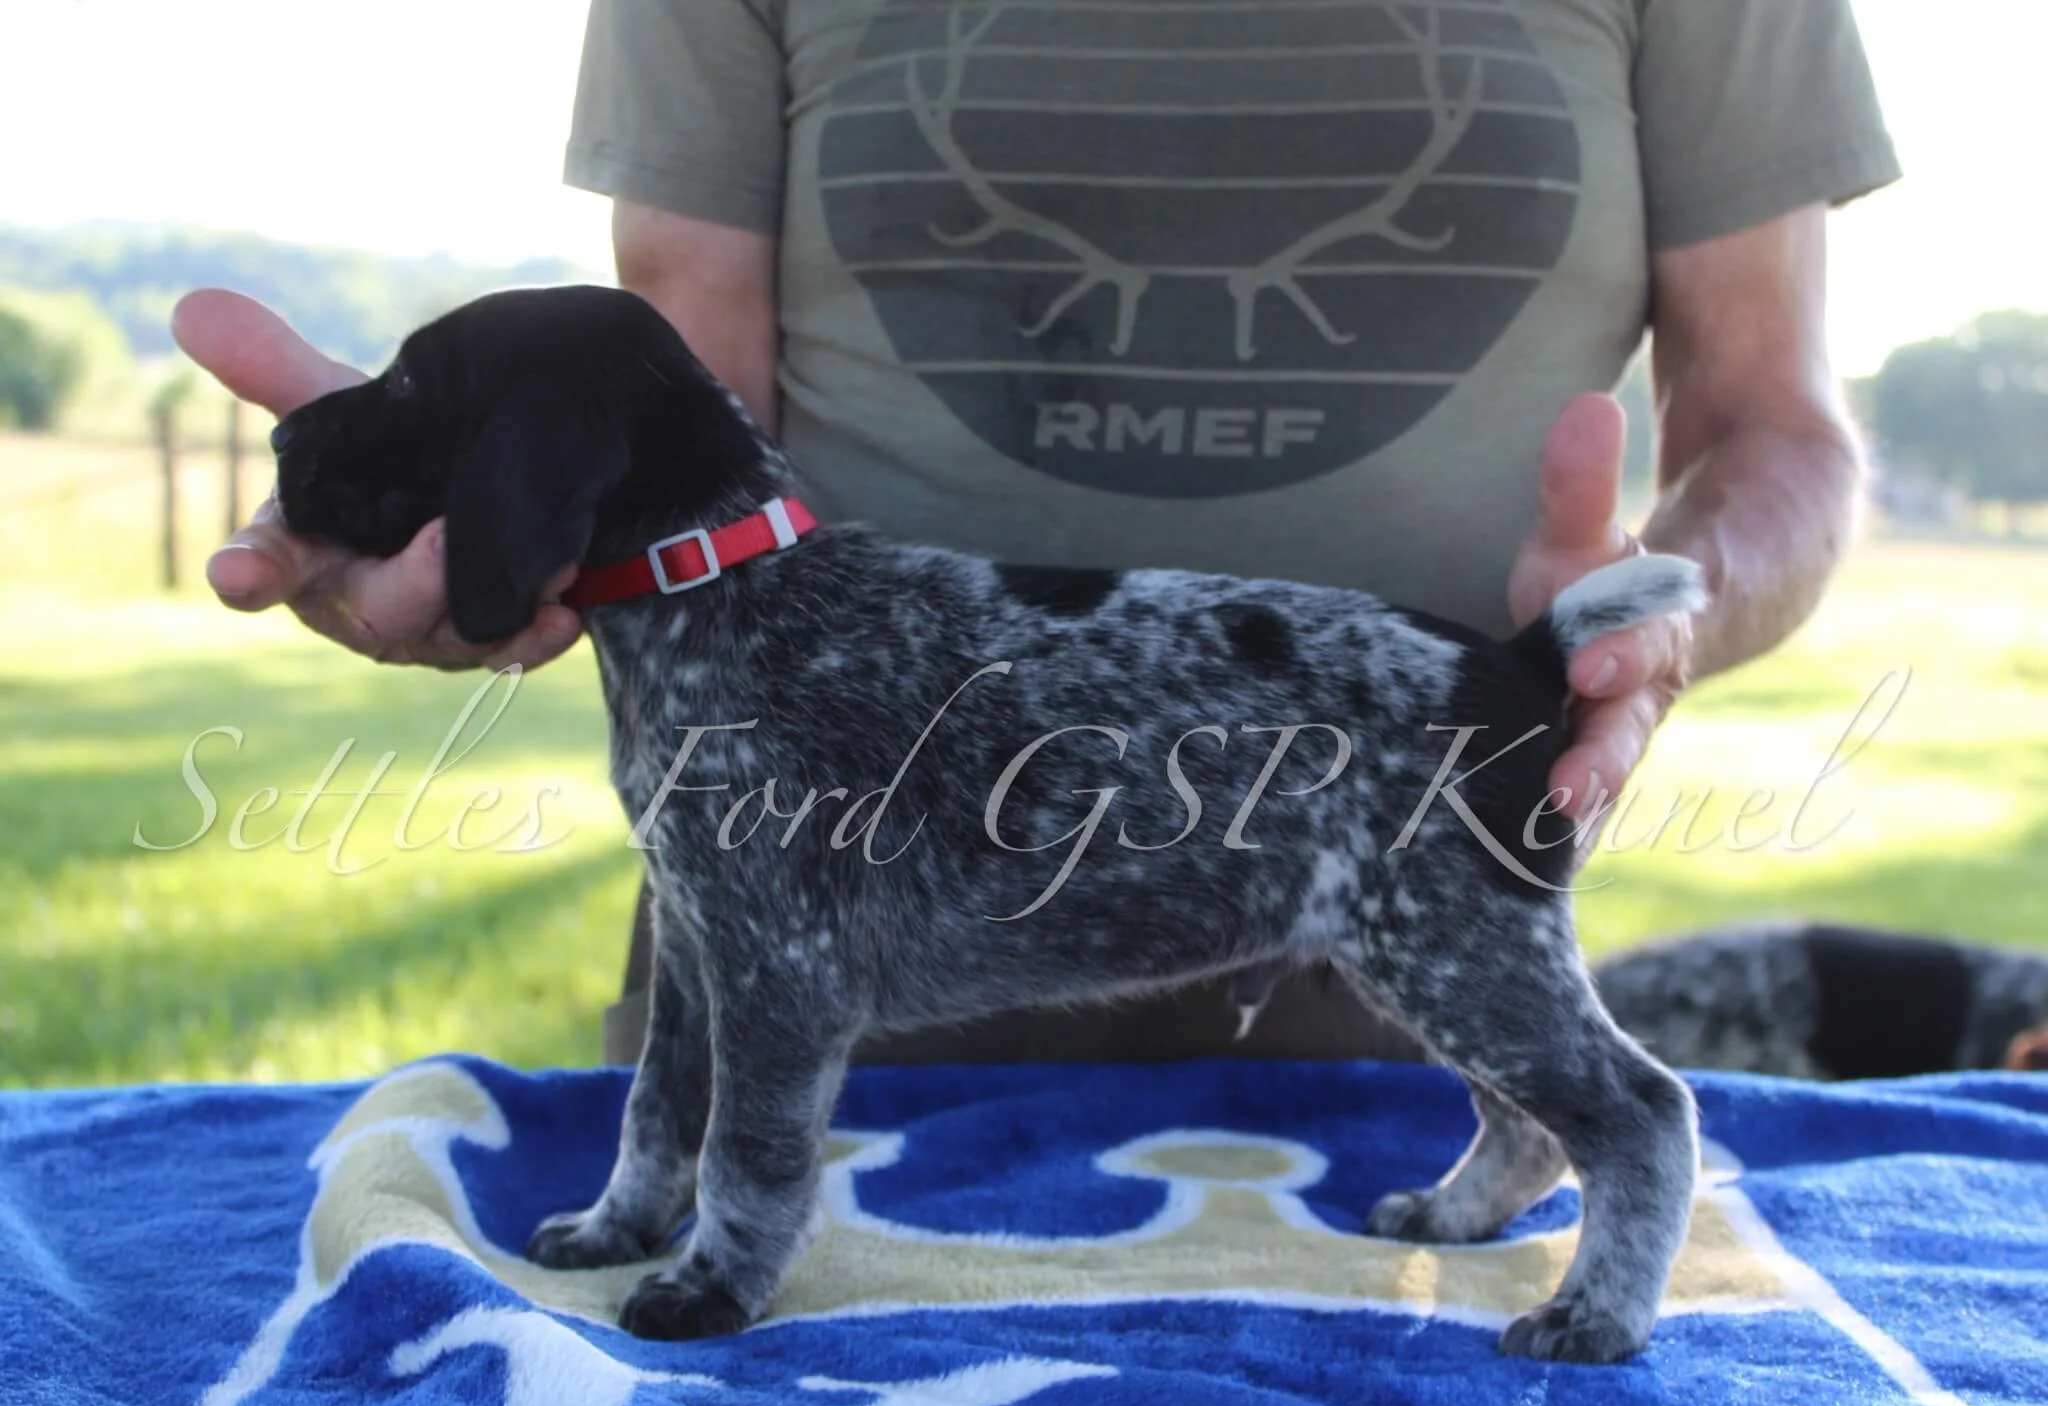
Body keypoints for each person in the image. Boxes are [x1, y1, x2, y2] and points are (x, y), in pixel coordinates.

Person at [174, 0, 1899, 1067]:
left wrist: (1652, 622)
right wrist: (450, 486)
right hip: (815, 931)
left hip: (1405, 910)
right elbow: (688, 396)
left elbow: (1774, 432)